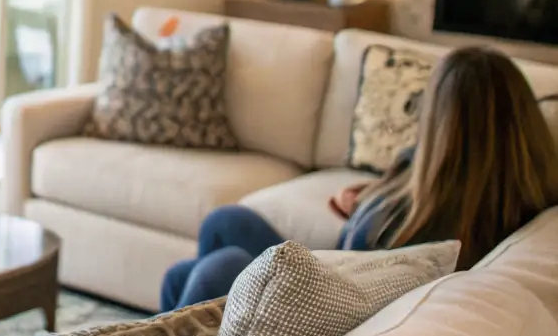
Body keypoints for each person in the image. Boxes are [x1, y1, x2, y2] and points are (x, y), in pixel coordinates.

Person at [160, 45, 558, 312]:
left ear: (442, 122)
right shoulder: (491, 183)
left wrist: (366, 213)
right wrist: (367, 195)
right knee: (221, 228)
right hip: (336, 274)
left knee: (217, 269)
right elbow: (411, 173)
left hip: (335, 307)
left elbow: (369, 277)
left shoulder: (434, 226)